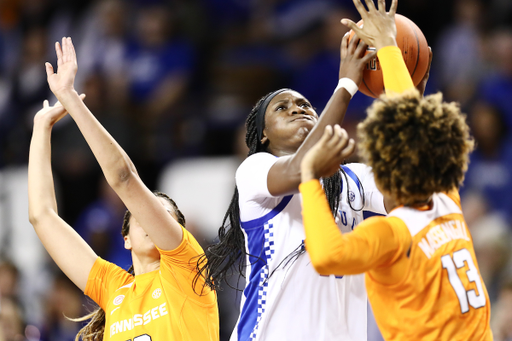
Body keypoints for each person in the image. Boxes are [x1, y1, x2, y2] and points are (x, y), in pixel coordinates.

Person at [196, 8, 404, 340]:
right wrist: (347, 84)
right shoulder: (255, 170)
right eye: (282, 107)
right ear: (263, 135)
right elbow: (300, 168)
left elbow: (409, 188)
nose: (297, 108)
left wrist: (400, 78)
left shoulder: (355, 179)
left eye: (306, 105)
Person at [299, 0, 492, 340]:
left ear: (388, 174)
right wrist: (388, 46)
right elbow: (416, 131)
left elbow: (329, 257)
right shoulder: (448, 202)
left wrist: (309, 177)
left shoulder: (393, 235)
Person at [28, 37, 219, 341]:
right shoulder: (112, 286)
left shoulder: (186, 268)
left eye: (161, 215)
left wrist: (70, 98)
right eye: (138, 215)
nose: (149, 217)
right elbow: (42, 216)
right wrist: (41, 128)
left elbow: (124, 178)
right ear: (126, 240)